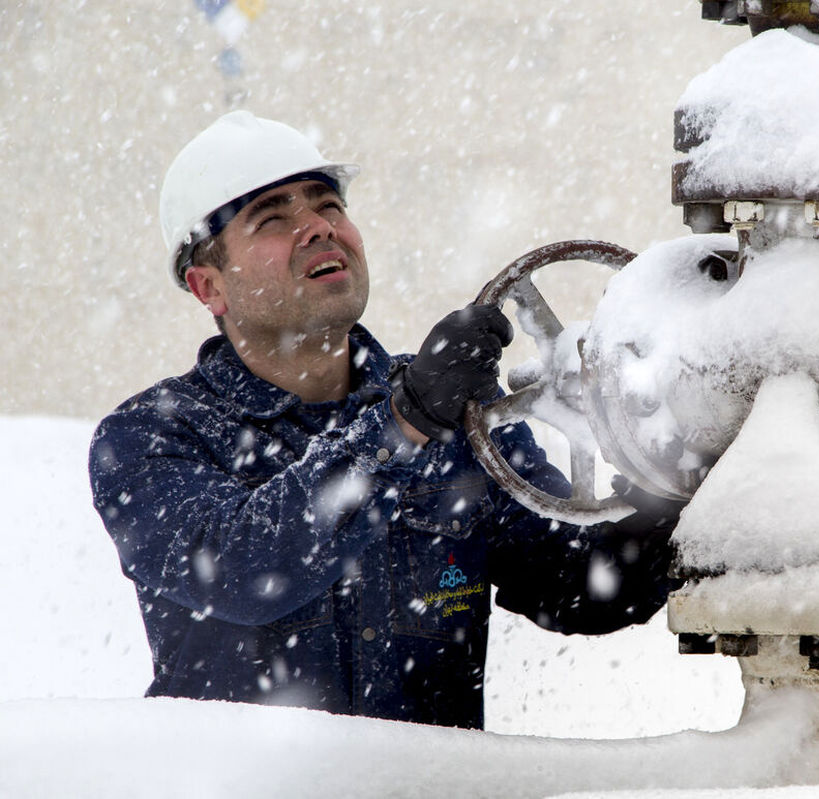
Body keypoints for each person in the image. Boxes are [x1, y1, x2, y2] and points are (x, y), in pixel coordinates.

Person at [89, 110, 680, 729]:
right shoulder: (150, 439)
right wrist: (402, 424)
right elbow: (246, 569)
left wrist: (671, 475)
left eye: (328, 206)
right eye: (273, 219)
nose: (318, 228)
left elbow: (580, 584)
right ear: (209, 286)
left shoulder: (459, 417)